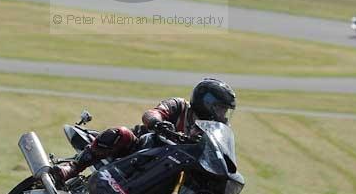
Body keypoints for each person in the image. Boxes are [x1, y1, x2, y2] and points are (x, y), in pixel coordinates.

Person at [52, 78, 236, 186]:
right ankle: (73, 167)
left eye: (225, 110)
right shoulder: (180, 105)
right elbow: (152, 113)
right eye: (220, 108)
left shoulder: (210, 129)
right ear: (206, 102)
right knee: (121, 133)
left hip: (169, 166)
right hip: (140, 147)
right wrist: (158, 123)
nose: (223, 114)